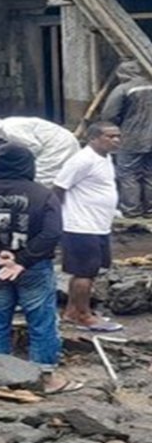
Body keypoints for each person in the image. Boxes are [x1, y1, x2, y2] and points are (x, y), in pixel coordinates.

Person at [0, 144, 77, 393]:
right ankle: (44, 377)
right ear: (29, 165)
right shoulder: (43, 195)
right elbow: (52, 233)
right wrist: (22, 260)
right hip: (34, 268)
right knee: (41, 319)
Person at [54, 121, 123, 332]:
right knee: (84, 272)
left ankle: (72, 311)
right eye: (110, 137)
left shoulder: (106, 158)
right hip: (80, 226)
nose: (116, 140)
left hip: (99, 225)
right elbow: (59, 189)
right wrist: (55, 220)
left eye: (118, 136)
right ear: (93, 138)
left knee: (89, 272)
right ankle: (84, 316)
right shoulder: (82, 160)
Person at [0, 111, 80, 187]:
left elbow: (33, 147)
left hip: (57, 146)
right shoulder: (4, 129)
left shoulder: (10, 131)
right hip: (54, 143)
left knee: (41, 178)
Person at [100, 61, 152, 217]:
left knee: (128, 174)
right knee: (150, 173)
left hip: (132, 138)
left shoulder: (123, 89)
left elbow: (109, 115)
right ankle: (150, 210)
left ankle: (132, 211)